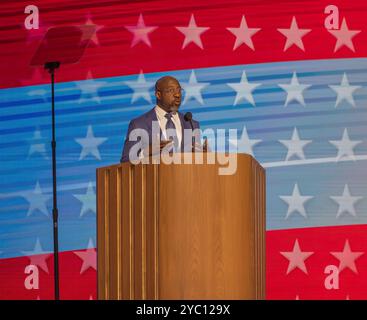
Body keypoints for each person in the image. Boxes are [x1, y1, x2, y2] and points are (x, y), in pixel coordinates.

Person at [120, 76, 207, 162]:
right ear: (158, 95)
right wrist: (146, 152)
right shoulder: (139, 124)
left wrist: (203, 156)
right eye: (171, 90)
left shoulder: (191, 124)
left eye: (179, 90)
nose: (177, 95)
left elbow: (197, 163)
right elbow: (126, 161)